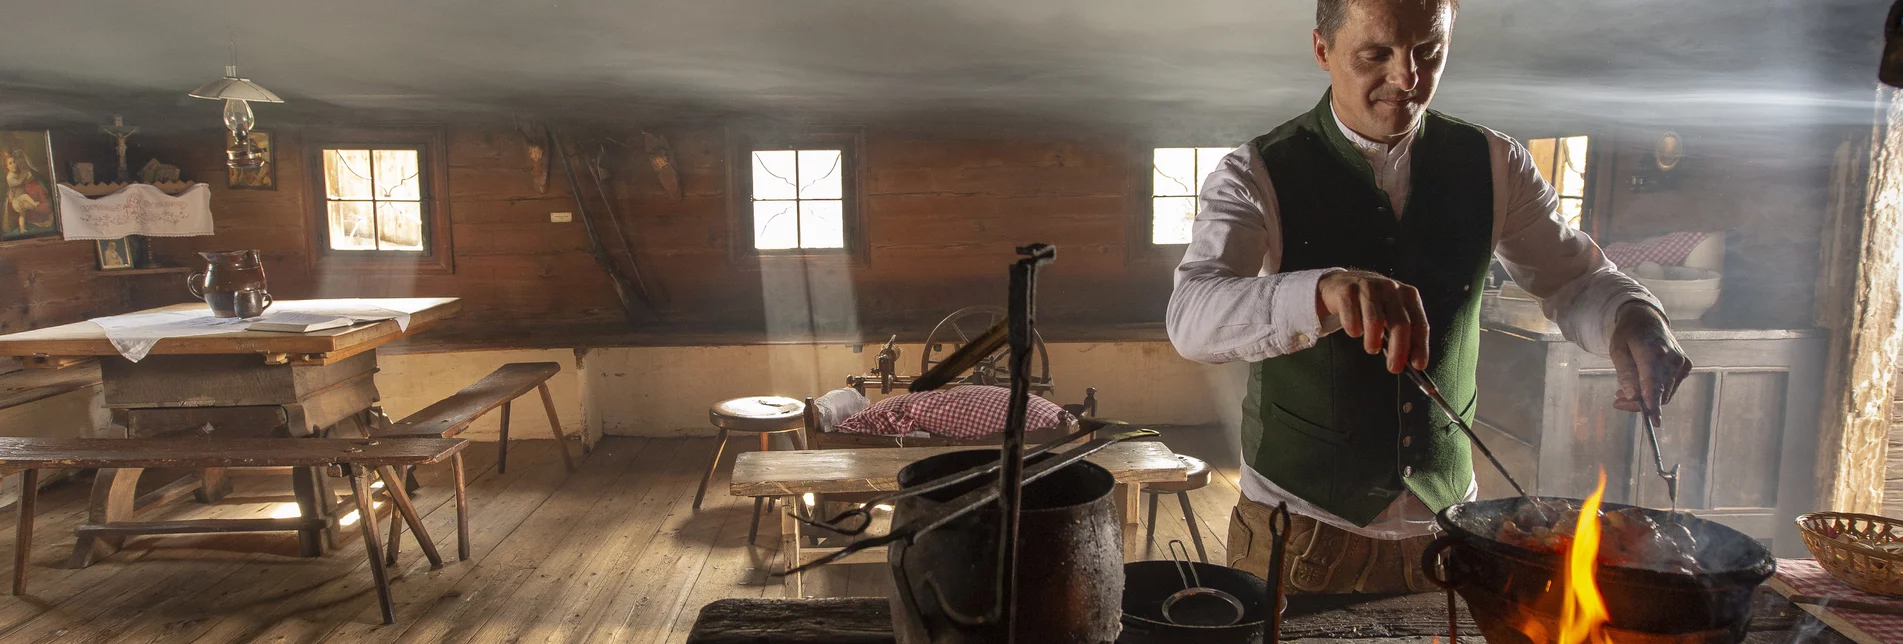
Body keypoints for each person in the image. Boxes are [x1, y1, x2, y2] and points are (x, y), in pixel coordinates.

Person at [1166, 0, 1694, 594]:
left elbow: (1574, 277)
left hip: (1450, 531)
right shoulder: (1254, 172)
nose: (1406, 79)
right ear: (1322, 50)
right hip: (1302, 532)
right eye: (1376, 54)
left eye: (1428, 53)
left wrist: (1636, 318)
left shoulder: (1497, 164)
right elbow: (1192, 318)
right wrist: (1321, 291)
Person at [4, 148, 53, 236]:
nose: (17, 164)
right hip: (24, 224)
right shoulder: (15, 180)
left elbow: (49, 207)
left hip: (41, 225)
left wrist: (31, 207)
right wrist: (10, 201)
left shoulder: (37, 181)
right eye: (15, 161)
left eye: (19, 160)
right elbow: (12, 210)